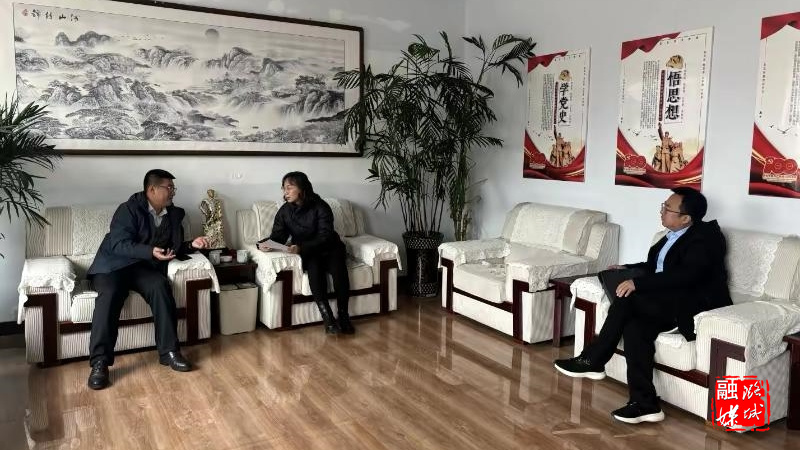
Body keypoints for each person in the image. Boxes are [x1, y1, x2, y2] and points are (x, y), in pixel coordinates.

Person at [554, 187, 731, 424]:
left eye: (667, 208)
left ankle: (594, 359)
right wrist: (627, 269)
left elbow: (687, 275)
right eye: (663, 206)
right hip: (664, 300)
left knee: (628, 298)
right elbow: (655, 267)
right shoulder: (671, 234)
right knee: (635, 328)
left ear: (686, 218)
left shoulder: (706, 238)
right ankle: (645, 403)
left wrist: (637, 283)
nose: (662, 211)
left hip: (691, 306)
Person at [86, 169, 211, 390]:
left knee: (160, 285)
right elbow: (118, 244)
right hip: (112, 266)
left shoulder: (173, 215)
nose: (173, 192)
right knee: (111, 294)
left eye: (173, 188)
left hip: (141, 267)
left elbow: (172, 247)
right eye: (168, 187)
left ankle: (169, 352)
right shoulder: (128, 209)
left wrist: (192, 245)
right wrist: (149, 251)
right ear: (151, 189)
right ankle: (100, 363)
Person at [257, 171, 353, 335]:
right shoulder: (285, 211)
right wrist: (264, 244)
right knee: (315, 271)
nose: (285, 192)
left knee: (339, 271)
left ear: (302, 188)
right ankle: (328, 319)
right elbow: (278, 236)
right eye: (284, 189)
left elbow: (325, 235)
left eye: (289, 188)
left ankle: (344, 316)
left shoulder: (321, 206)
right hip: (310, 251)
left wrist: (300, 247)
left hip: (330, 247)